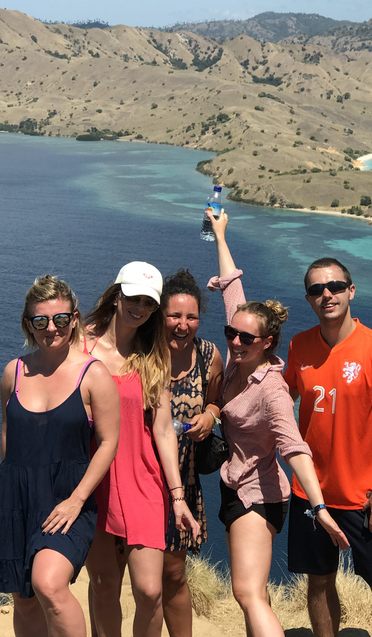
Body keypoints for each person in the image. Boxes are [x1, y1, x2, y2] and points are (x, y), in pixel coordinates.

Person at [208, 211, 349, 637]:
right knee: (258, 594)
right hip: (234, 483)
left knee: (247, 592)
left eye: (246, 338)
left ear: (267, 342)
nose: (234, 341)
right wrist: (220, 233)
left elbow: (294, 447)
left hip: (260, 493)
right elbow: (232, 286)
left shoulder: (271, 388)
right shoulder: (240, 351)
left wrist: (321, 507)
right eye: (231, 333)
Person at [0, 275, 120, 637]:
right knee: (23, 598)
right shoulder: (14, 372)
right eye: (40, 320)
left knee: (49, 585)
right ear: (28, 323)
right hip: (14, 499)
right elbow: (8, 434)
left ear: (75, 320)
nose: (51, 328)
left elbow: (108, 443)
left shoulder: (93, 374)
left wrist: (77, 500)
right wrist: (10, 493)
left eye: (60, 319)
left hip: (67, 498)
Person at [283, 257, 372, 637]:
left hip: (365, 498)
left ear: (351, 291)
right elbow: (279, 400)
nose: (327, 295)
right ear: (308, 299)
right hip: (311, 493)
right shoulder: (298, 345)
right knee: (319, 583)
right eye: (316, 290)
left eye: (335, 286)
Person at [80, 262, 200, 637]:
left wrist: (177, 495)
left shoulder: (153, 352)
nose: (140, 308)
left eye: (149, 302)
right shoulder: (80, 344)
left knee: (149, 590)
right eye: (133, 298)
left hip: (143, 477)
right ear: (117, 295)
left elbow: (163, 428)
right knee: (103, 584)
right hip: (91, 477)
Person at [159, 269, 223, 637]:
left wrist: (210, 415)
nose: (182, 325)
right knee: (136, 576)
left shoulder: (208, 355)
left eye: (191, 317)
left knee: (173, 573)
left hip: (184, 478)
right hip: (139, 478)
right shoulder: (142, 352)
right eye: (174, 316)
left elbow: (219, 398)